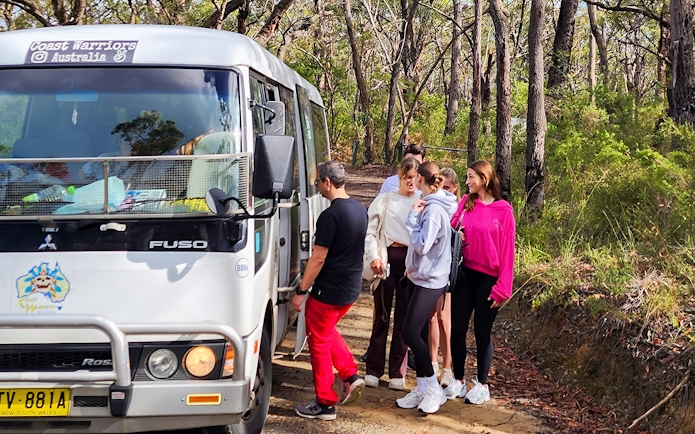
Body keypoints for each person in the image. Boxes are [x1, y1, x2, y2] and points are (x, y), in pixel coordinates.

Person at [292, 161, 368, 421]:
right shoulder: (359, 209)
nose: (317, 187)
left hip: (329, 290)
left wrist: (302, 290)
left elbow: (318, 258)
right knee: (326, 331)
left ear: (327, 182)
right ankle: (350, 374)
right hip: (350, 287)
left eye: (317, 182)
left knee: (318, 342)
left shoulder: (330, 215)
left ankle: (325, 403)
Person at [443, 159, 516, 405]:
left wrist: (503, 288)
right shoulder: (465, 203)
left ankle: (482, 384)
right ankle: (459, 380)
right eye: (466, 177)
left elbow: (507, 252)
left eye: (471, 177)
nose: (467, 182)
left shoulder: (503, 209)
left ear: (484, 179)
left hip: (489, 279)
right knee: (457, 329)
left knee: (482, 331)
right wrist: (456, 231)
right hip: (465, 275)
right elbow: (451, 228)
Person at [396, 161, 457, 414]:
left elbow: (422, 245)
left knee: (409, 333)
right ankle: (422, 387)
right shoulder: (433, 205)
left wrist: (411, 218)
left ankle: (433, 388)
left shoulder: (432, 211)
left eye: (415, 177)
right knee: (417, 333)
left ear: (421, 179)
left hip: (431, 280)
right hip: (419, 276)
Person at [363, 157, 420, 391]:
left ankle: (398, 371)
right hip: (386, 261)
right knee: (382, 316)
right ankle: (374, 369)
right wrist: (374, 256)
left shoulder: (422, 202)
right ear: (400, 176)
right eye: (408, 177)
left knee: (404, 320)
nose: (411, 182)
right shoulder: (385, 200)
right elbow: (371, 232)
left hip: (409, 264)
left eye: (415, 178)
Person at [428, 167, 460, 387]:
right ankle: (432, 363)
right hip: (430, 268)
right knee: (430, 316)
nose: (443, 191)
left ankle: (448, 366)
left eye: (447, 187)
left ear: (455, 188)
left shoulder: (458, 209)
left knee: (444, 318)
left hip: (448, 270)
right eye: (441, 187)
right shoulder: (432, 205)